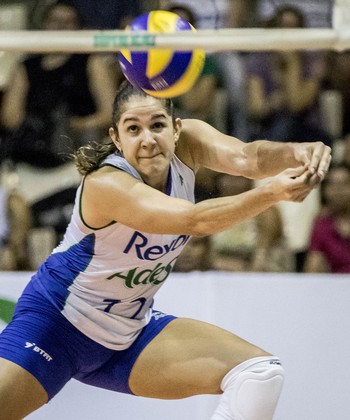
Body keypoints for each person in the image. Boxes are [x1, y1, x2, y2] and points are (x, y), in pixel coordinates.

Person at [0, 80, 331, 420]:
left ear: (176, 129)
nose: (147, 139)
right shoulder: (106, 183)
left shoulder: (190, 143)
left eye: (157, 125)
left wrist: (296, 153)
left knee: (260, 373)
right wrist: (271, 194)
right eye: (133, 129)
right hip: (56, 324)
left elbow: (249, 158)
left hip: (128, 333)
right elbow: (193, 220)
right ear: (116, 138)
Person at [0, 1, 115, 245]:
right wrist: (42, 124)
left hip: (75, 163)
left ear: (78, 29)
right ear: (43, 25)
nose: (60, 27)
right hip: (31, 165)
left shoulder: (90, 63)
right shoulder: (27, 67)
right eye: (55, 20)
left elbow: (109, 115)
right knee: (17, 212)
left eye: (67, 22)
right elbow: (10, 118)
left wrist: (75, 125)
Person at [246, 6, 332, 146]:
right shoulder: (259, 61)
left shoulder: (311, 62)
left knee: (287, 124)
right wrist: (273, 103)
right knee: (279, 128)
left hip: (307, 130)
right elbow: (257, 108)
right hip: (270, 127)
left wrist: (293, 62)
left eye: (293, 28)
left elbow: (296, 104)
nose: (287, 33)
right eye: (283, 27)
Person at [304, 163, 350, 273]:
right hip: (335, 286)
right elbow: (313, 269)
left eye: (344, 184)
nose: (338, 191)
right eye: (332, 185)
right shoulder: (321, 225)